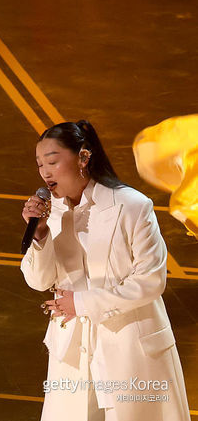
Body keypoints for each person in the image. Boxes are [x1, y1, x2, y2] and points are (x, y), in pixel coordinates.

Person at [20, 121, 191, 421]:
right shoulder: (52, 213)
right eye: (40, 164)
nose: (45, 172)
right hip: (73, 351)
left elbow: (151, 280)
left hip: (130, 346)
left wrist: (82, 303)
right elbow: (39, 280)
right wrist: (40, 236)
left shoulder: (132, 206)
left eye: (52, 161)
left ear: (83, 158)